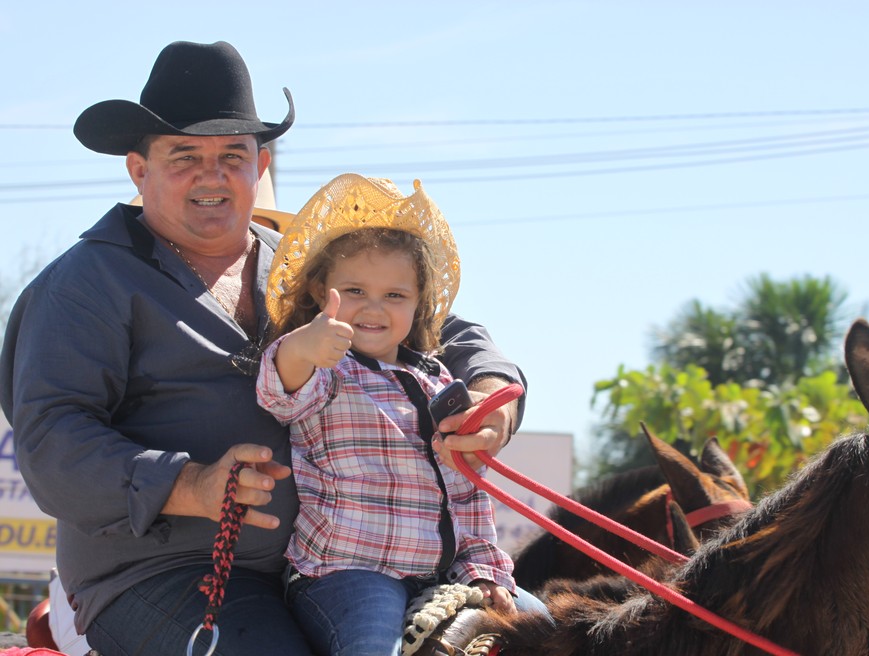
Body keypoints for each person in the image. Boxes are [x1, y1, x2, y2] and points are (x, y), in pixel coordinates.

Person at [0, 41, 526, 656]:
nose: (211, 175)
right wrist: (189, 484)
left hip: (336, 567)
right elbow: (53, 441)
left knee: (543, 637)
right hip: (160, 575)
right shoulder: (84, 284)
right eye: (184, 156)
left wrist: (495, 393)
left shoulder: (305, 259)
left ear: (261, 162)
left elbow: (442, 326)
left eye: (232, 155)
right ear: (137, 168)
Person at [258, 174, 547, 656]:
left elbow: (467, 492)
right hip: (345, 571)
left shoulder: (437, 381)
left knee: (548, 629)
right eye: (353, 290)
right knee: (373, 647)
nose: (373, 308)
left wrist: (483, 570)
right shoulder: (326, 370)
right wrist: (304, 345)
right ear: (317, 289)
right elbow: (279, 388)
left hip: (441, 572)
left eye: (395, 295)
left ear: (419, 303)